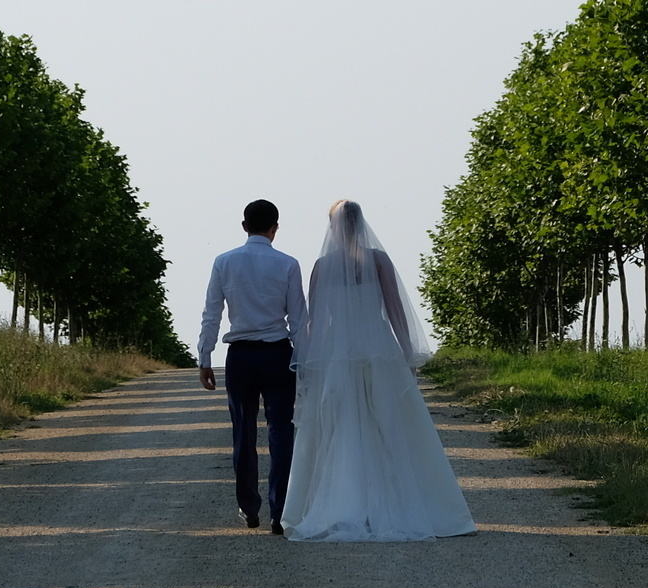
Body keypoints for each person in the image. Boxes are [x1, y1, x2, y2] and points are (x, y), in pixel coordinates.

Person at [278, 199, 475, 541]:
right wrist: (409, 354)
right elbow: (395, 310)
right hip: (378, 352)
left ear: (332, 228)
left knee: (342, 432)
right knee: (390, 431)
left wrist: (307, 361)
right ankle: (402, 505)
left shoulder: (322, 266)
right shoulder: (378, 260)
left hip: (339, 358)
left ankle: (343, 504)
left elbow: (313, 322)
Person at [198, 197, 307, 533]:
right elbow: (299, 320)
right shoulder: (288, 264)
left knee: (243, 433)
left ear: (244, 226)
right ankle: (281, 508)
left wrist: (205, 357)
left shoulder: (224, 262)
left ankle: (249, 505)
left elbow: (212, 313)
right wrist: (304, 361)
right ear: (275, 228)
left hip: (241, 357)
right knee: (281, 430)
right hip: (278, 355)